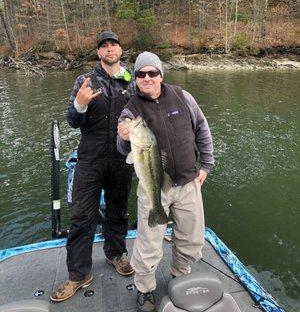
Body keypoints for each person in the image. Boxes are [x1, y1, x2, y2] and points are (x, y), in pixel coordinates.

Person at [117, 51, 214, 312]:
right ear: (135, 78)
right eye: (140, 74)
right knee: (148, 244)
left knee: (191, 238)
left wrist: (206, 164)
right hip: (152, 189)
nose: (147, 78)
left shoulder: (183, 96)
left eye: (152, 72)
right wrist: (125, 136)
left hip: (188, 181)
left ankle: (180, 276)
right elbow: (122, 147)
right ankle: (145, 289)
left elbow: (201, 128)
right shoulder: (130, 110)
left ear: (161, 74)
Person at [50, 31, 135, 303]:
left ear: (120, 50)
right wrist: (80, 103)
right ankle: (78, 274)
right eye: (104, 46)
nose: (109, 49)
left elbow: (146, 115)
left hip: (123, 158)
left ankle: (115, 254)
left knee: (118, 210)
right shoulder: (85, 80)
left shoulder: (132, 80)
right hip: (90, 157)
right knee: (81, 216)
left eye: (113, 44)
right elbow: (73, 121)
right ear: (99, 53)